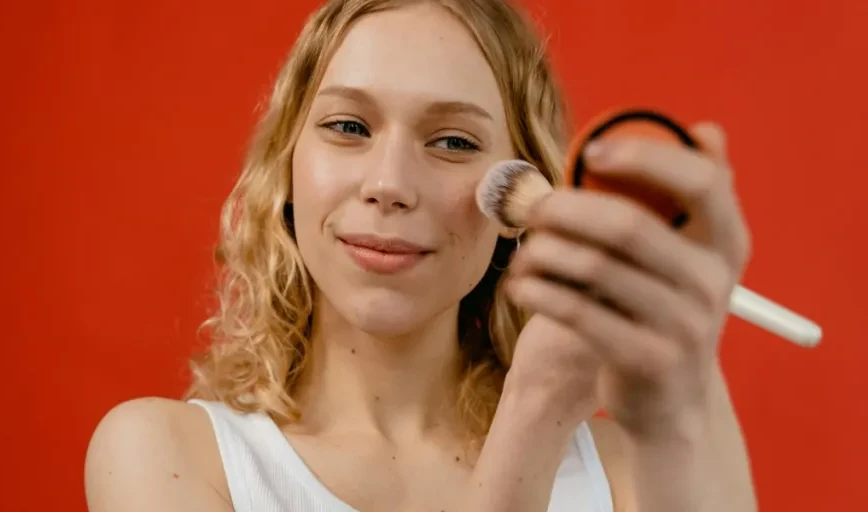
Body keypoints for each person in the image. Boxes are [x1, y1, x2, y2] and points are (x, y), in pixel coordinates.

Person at [84, 0, 758, 510]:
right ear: (287, 165)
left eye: (454, 142)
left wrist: (682, 388)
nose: (389, 185)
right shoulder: (167, 457)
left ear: (524, 190)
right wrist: (532, 417)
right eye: (349, 127)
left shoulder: (631, 471)